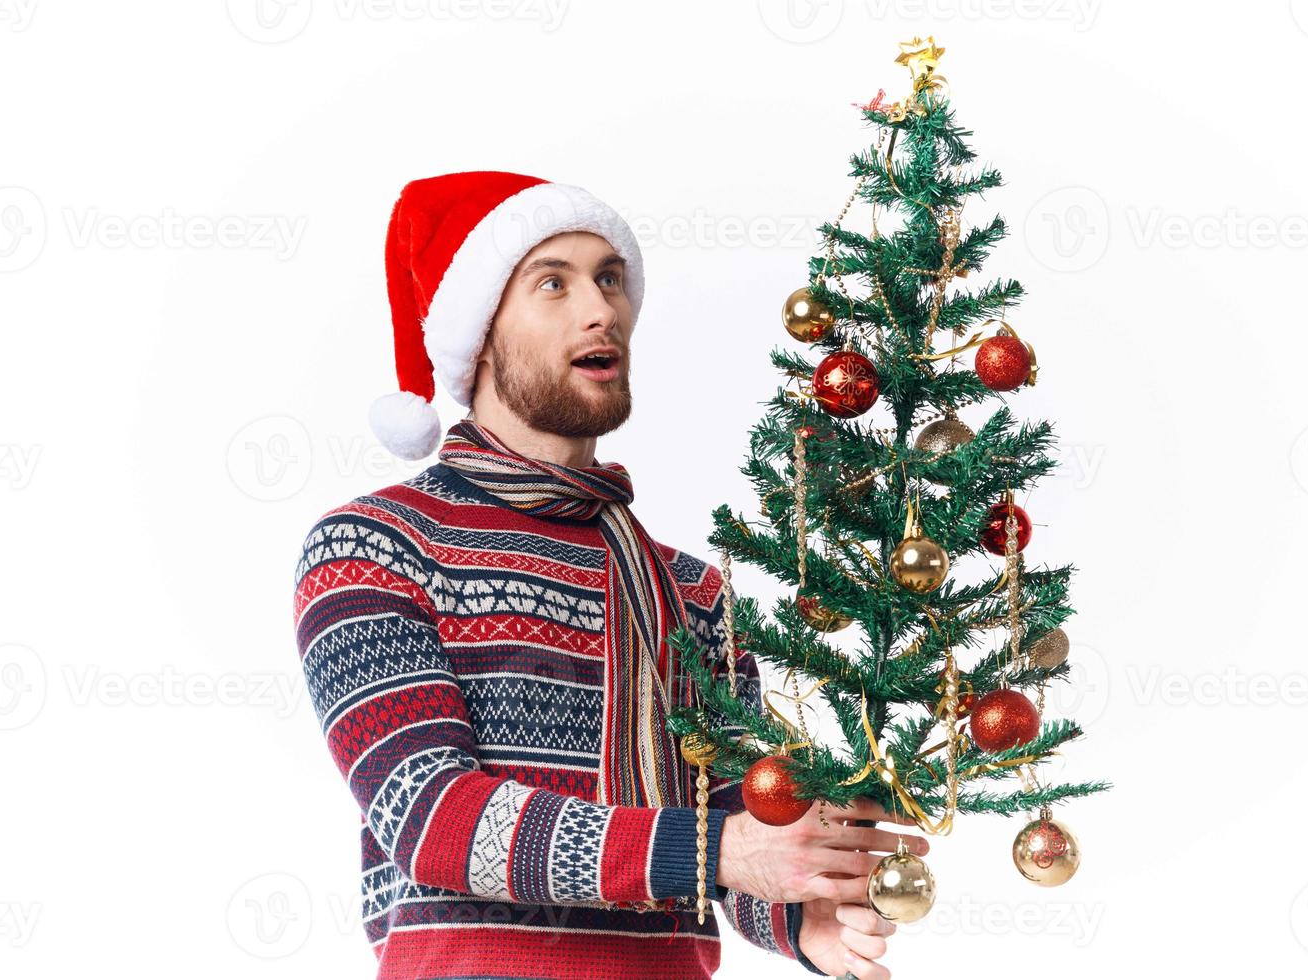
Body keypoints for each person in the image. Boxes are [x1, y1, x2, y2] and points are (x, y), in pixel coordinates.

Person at [293, 171, 928, 979]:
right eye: (551, 283)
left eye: (610, 278)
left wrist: (804, 913)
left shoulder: (692, 592)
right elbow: (430, 816)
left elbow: (732, 817)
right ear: (479, 332)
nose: (601, 309)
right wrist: (717, 852)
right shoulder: (374, 546)